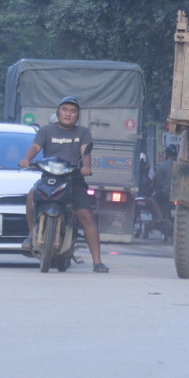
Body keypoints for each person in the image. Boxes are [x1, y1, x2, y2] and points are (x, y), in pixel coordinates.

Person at [18, 95, 109, 272]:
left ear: (77, 115)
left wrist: (86, 167)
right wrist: (26, 159)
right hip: (49, 178)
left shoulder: (82, 133)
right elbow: (35, 147)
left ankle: (97, 261)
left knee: (87, 217)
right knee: (31, 196)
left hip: (73, 180)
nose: (68, 114)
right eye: (65, 110)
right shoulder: (46, 131)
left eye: (73, 111)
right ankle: (30, 235)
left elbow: (85, 152)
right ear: (58, 111)